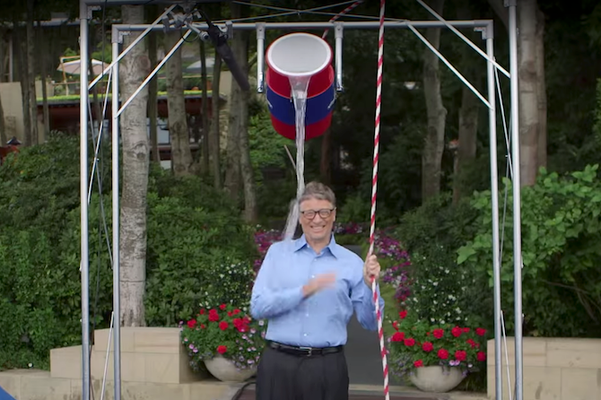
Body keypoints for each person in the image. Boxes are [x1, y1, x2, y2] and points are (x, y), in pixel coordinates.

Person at [250, 181, 384, 400]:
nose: (317, 219)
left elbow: (370, 323)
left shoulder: (351, 263)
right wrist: (303, 291)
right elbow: (257, 307)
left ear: (333, 214)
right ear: (300, 216)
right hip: (278, 365)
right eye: (309, 213)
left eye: (324, 212)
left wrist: (370, 287)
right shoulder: (278, 253)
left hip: (327, 368)